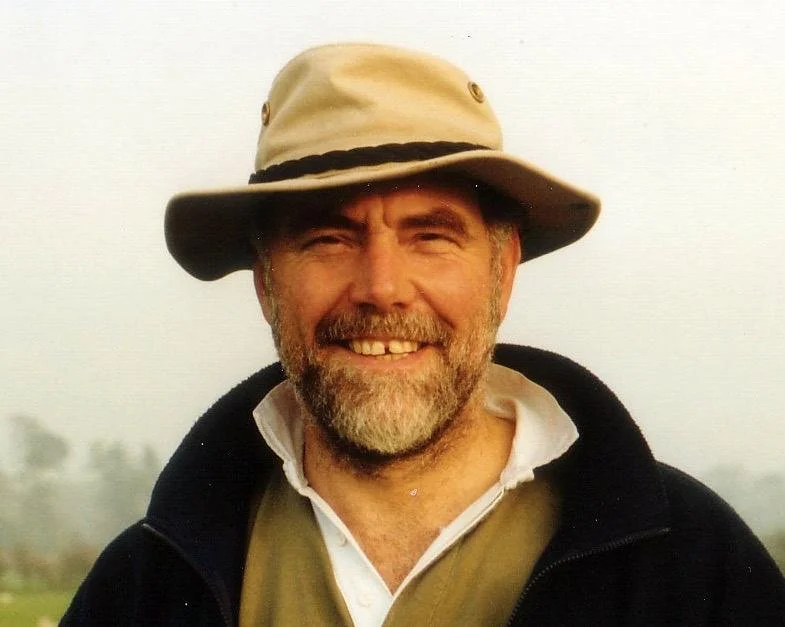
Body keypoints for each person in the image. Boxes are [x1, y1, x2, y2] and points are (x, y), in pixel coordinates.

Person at [63, 43, 785, 626]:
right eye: (327, 237)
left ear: (502, 270)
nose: (381, 287)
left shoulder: (695, 568)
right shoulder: (143, 587)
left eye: (430, 235)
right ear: (264, 282)